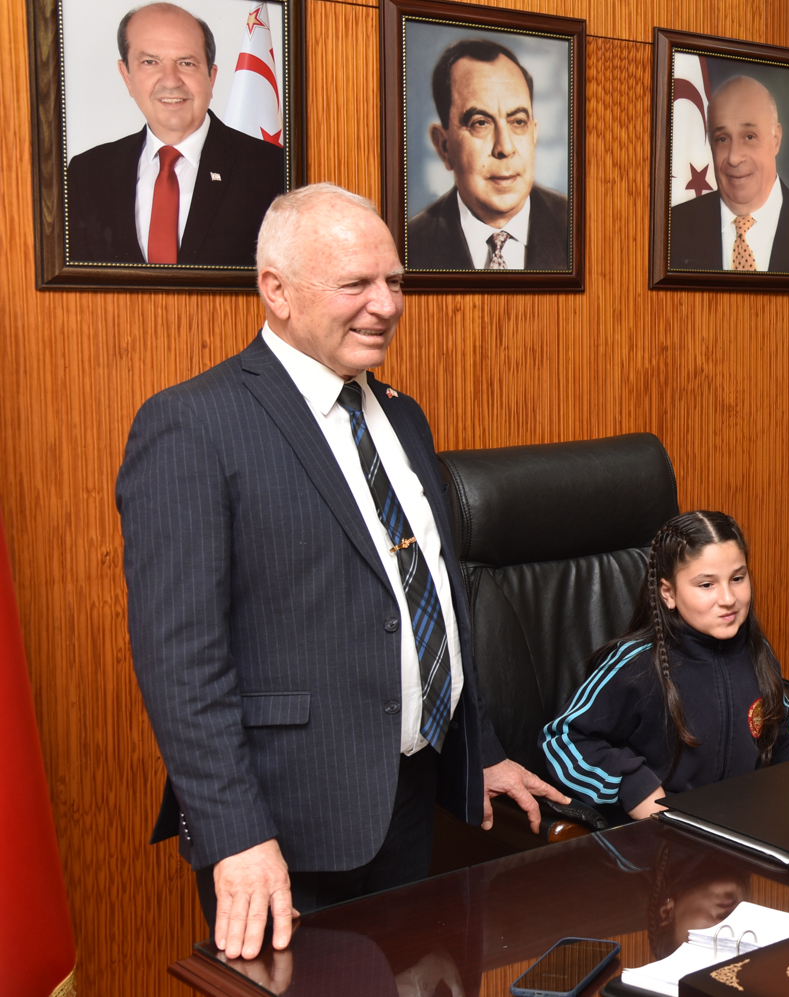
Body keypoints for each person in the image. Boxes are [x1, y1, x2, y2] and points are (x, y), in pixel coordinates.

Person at [117, 183, 566, 961]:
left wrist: (481, 748)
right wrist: (236, 835)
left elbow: (429, 597)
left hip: (410, 804)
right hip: (287, 831)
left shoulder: (401, 414)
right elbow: (180, 661)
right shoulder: (192, 424)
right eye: (356, 283)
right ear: (276, 290)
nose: (385, 305)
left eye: (394, 281)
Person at [542, 511, 789, 820]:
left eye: (737, 578)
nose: (728, 598)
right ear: (668, 593)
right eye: (706, 585)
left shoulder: (756, 649)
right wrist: (635, 787)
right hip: (666, 833)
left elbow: (782, 732)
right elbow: (562, 739)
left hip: (748, 825)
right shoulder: (637, 662)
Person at [67, 3, 285, 266]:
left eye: (186, 63)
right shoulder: (86, 174)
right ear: (126, 76)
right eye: (150, 62)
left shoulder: (273, 170)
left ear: (211, 77)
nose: (170, 80)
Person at [406, 38, 570, 271]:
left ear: (534, 135)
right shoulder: (409, 247)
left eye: (518, 122)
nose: (504, 147)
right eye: (480, 123)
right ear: (444, 147)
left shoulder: (580, 228)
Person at [667, 76, 789, 273]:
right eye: (722, 139)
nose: (734, 157)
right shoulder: (672, 229)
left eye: (749, 136)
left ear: (776, 139)